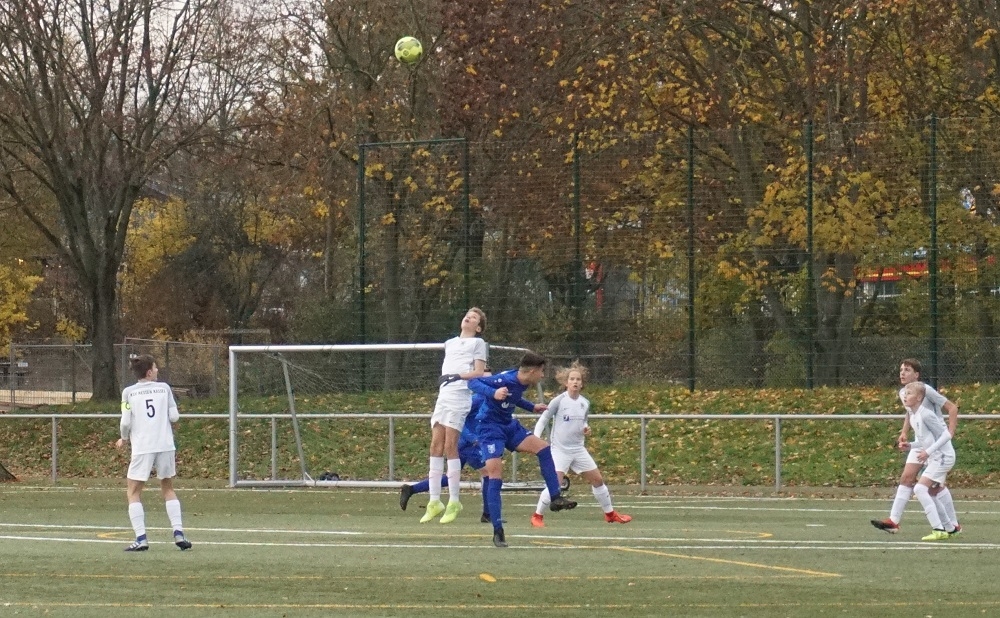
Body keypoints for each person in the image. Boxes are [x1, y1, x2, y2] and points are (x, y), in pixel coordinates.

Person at [468, 351, 577, 548]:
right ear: (533, 371)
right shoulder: (504, 379)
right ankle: (498, 530)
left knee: (543, 448)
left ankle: (555, 498)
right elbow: (473, 382)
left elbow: (514, 397)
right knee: (495, 475)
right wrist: (493, 393)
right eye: (541, 371)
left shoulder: (521, 382)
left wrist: (531, 407)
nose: (542, 376)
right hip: (489, 429)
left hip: (509, 426)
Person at [530, 361, 630, 527]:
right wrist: (535, 438)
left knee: (598, 480)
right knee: (555, 484)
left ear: (582, 383)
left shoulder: (585, 402)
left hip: (578, 449)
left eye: (578, 379)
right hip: (560, 450)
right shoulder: (558, 401)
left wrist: (585, 428)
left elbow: (583, 421)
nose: (575, 382)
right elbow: (544, 419)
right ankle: (537, 516)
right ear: (566, 382)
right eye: (572, 379)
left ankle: (610, 514)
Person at [871, 358, 960, 535]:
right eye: (901, 370)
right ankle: (893, 521)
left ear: (917, 374)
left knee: (934, 488)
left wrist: (950, 432)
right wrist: (904, 432)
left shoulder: (926, 390)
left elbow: (952, 408)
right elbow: (910, 412)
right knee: (906, 478)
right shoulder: (904, 393)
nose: (902, 373)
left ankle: (953, 525)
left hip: (936, 443)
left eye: (907, 370)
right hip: (921, 441)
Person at [115, 354, 191, 552]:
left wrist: (124, 438)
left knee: (133, 492)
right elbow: (174, 417)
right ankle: (178, 533)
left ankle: (141, 538)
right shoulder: (164, 388)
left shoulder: (128, 393)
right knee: (168, 488)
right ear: (149, 372)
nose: (158, 371)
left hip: (143, 447)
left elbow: (125, 421)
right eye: (156, 368)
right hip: (165, 445)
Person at [419, 308, 488, 524]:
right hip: (444, 396)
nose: (468, 317)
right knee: (435, 446)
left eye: (474, 317)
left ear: (478, 327)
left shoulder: (478, 343)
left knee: (451, 446)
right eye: (467, 314)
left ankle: (454, 501)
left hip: (459, 396)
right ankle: (434, 501)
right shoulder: (450, 343)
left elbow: (479, 372)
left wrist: (456, 376)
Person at [401, 392, 491, 523]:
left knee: (451, 476)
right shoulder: (476, 399)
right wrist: (473, 438)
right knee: (488, 472)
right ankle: (488, 513)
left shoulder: (492, 400)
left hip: (467, 444)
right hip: (468, 445)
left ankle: (412, 489)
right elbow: (460, 422)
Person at [898, 381, 957, 541]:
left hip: (943, 457)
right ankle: (950, 528)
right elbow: (927, 441)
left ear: (919, 398)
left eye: (909, 394)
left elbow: (946, 435)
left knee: (919, 489)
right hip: (936, 457)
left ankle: (938, 529)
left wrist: (928, 452)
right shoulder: (914, 416)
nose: (905, 396)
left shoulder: (926, 414)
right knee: (929, 492)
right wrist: (910, 445)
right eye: (905, 393)